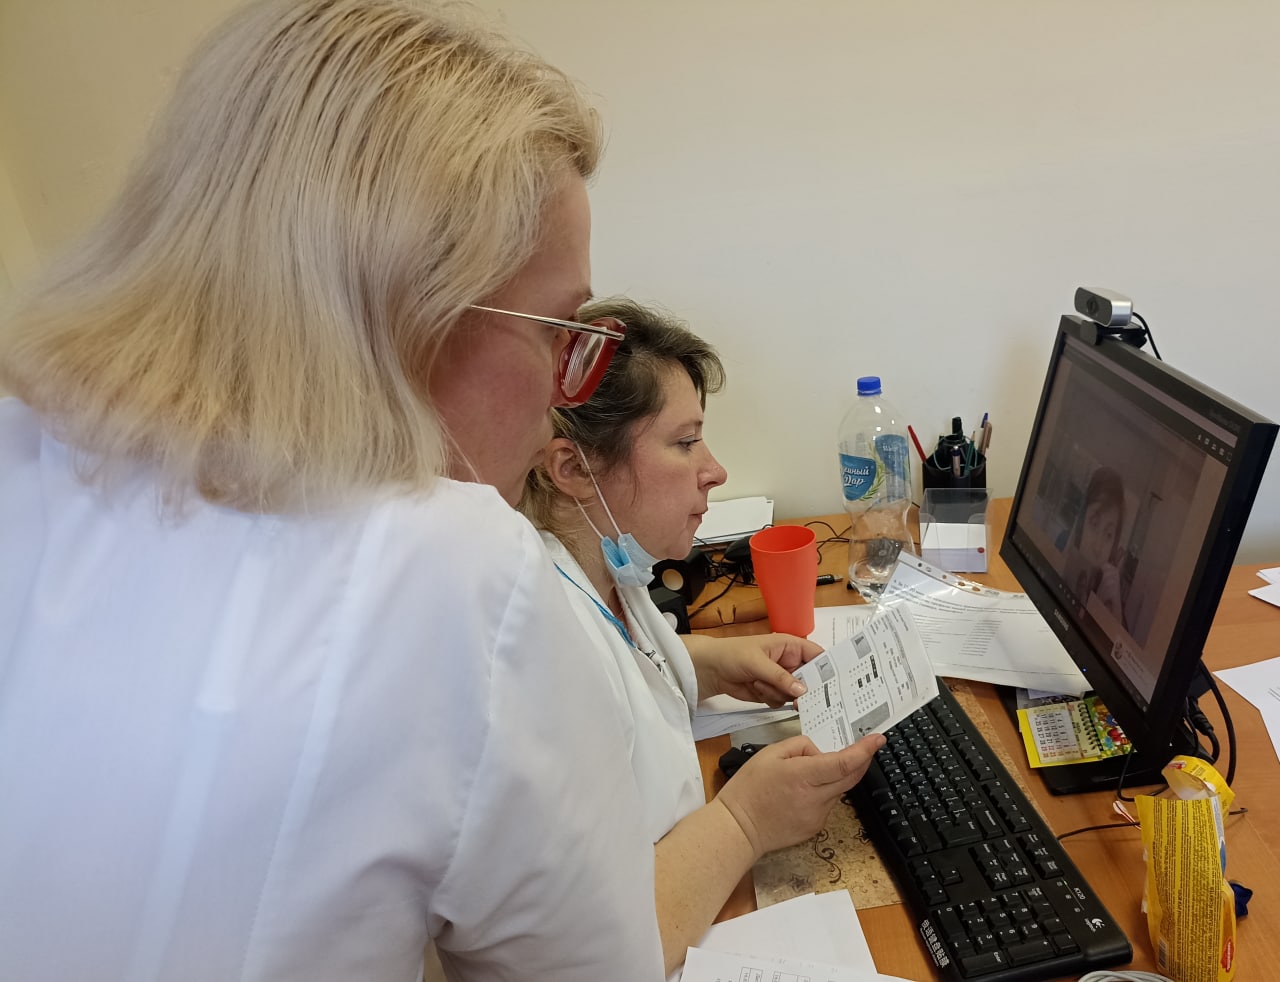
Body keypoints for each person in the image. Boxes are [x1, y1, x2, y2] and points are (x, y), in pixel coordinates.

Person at [0, 2, 664, 979]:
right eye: (557, 332)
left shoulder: (25, 458)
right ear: (412, 312)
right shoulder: (455, 571)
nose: (566, 394)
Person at [520, 298, 885, 973]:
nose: (714, 469)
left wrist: (707, 661)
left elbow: (622, 662)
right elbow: (593, 950)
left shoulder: (606, 564)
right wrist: (744, 823)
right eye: (685, 443)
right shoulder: (541, 652)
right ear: (572, 470)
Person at [1064, 466, 1128, 625]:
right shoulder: (1060, 550)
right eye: (1094, 523)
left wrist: (1114, 616)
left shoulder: (1112, 601)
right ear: (1081, 524)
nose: (1098, 547)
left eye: (1108, 535)